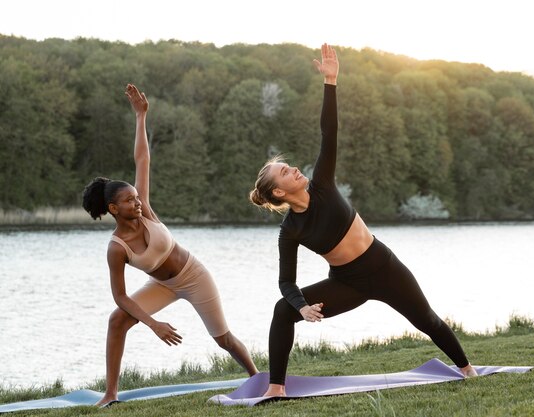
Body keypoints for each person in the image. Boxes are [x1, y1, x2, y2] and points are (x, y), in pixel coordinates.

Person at [249, 44, 477, 397]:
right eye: (285, 171)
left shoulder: (321, 183)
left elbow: (329, 133)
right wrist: (302, 307)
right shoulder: (290, 230)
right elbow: (286, 283)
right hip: (348, 283)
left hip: (383, 266)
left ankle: (468, 369)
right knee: (283, 311)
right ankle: (276, 389)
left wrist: (331, 82)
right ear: (278, 193)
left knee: (427, 320)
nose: (294, 168)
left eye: (289, 165)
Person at [82, 84, 258, 406]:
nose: (137, 202)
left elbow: (142, 158)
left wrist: (140, 116)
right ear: (113, 209)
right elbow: (120, 297)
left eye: (137, 197)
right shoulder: (117, 247)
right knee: (116, 319)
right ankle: (110, 394)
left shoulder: (145, 209)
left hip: (194, 275)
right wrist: (153, 324)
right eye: (129, 201)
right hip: (162, 285)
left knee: (224, 340)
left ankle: (258, 379)